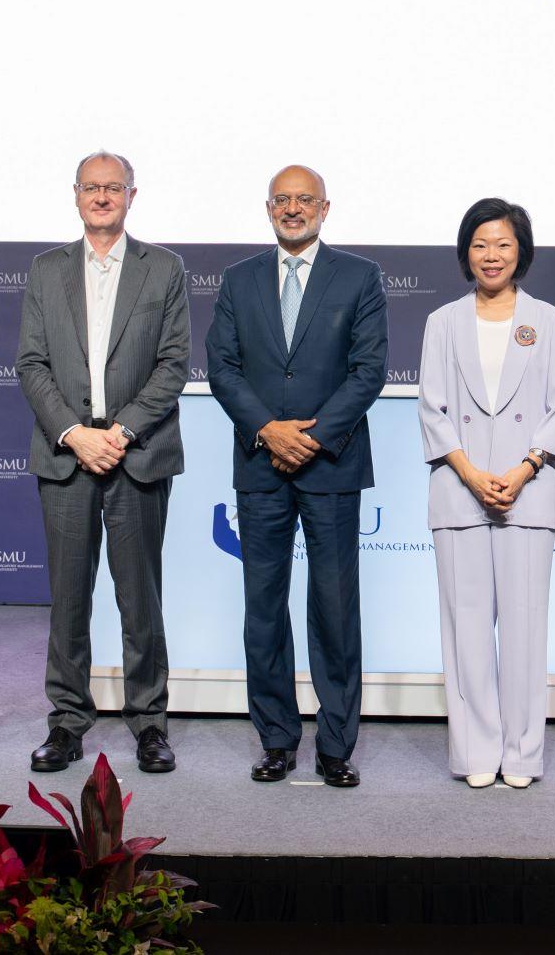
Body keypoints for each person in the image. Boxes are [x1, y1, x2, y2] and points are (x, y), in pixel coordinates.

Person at [207, 165, 388, 789]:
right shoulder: (237, 281)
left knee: (335, 610)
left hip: (331, 464)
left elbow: (368, 372)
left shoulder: (361, 277)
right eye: (282, 200)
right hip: (260, 463)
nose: (292, 208)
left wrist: (308, 437)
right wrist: (269, 430)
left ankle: (336, 744)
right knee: (264, 608)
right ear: (267, 208)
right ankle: (276, 740)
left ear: (325, 207)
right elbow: (222, 368)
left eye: (303, 199)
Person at [16, 151, 190, 776]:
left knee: (140, 596)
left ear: (131, 195)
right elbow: (30, 364)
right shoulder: (44, 271)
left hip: (135, 455)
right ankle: (66, 722)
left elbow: (173, 364)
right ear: (76, 195)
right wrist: (72, 432)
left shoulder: (164, 269)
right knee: (68, 599)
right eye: (91, 187)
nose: (101, 196)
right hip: (68, 457)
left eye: (112, 187)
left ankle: (148, 722)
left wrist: (119, 431)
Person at [417, 199, 555, 788]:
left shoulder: (550, 320)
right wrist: (467, 470)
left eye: (503, 244)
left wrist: (525, 466)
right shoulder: (442, 322)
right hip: (458, 492)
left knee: (525, 630)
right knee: (465, 630)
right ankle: (476, 751)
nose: (492, 255)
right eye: (481, 244)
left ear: (521, 251)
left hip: (527, 494)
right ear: (466, 251)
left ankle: (523, 754)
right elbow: (431, 407)